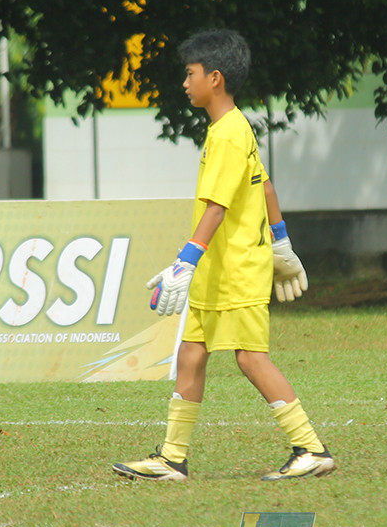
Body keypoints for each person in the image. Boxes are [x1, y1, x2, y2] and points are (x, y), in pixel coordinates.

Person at [113, 29, 336, 482]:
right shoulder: (232, 129)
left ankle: (310, 449)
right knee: (191, 353)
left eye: (190, 74)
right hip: (218, 271)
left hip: (234, 271)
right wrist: (281, 241)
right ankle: (172, 457)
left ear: (215, 78)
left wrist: (186, 260)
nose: (184, 82)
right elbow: (266, 185)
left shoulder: (229, 134)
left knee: (251, 359)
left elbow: (218, 206)